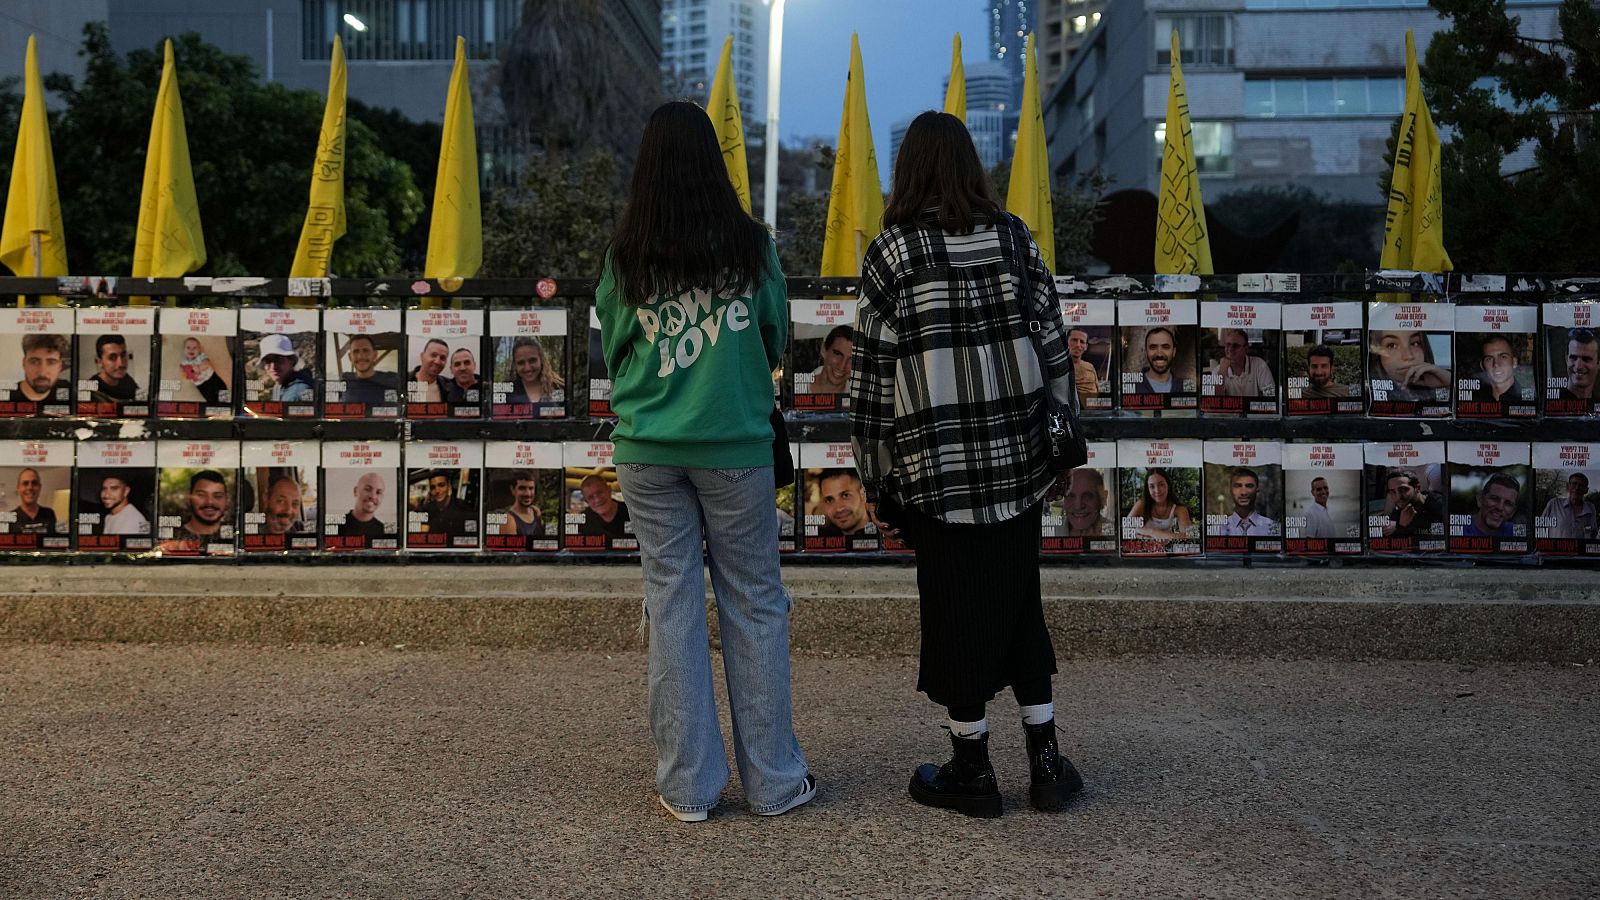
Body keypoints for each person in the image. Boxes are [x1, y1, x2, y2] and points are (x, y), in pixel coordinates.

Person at [851, 110, 1082, 819]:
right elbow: (1055, 346)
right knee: (1020, 604)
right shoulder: (1014, 237)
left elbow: (871, 380)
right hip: (1016, 463)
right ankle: (1045, 764)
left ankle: (972, 769)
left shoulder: (892, 253)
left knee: (952, 610)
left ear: (909, 170)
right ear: (970, 165)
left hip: (935, 470)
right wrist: (1063, 445)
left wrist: (876, 476)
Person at [594, 100, 812, 822]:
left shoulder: (627, 253)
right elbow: (777, 339)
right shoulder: (752, 246)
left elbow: (616, 345)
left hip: (648, 451)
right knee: (754, 602)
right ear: (714, 165)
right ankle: (776, 783)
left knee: (673, 602)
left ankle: (687, 788)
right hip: (737, 448)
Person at [1369, 330, 1449, 401]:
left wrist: (1449, 383)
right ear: (1377, 354)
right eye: (1392, 345)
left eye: (1415, 343)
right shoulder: (1369, 392)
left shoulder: (1433, 385)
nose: (1409, 356)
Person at [162, 470, 230, 551]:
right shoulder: (171, 538)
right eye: (201, 495)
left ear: (227, 499)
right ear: (188, 497)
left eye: (218, 496)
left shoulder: (235, 536)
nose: (209, 502)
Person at [1129, 468, 1193, 543]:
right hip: (1144, 550)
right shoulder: (1141, 504)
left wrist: (1156, 533)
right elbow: (1126, 529)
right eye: (1152, 486)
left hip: (1167, 551)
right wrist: (1152, 532)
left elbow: (1188, 537)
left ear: (1168, 485)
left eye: (1161, 484)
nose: (1157, 490)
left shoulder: (1179, 509)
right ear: (1148, 489)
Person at [9, 334, 70, 406]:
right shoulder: (8, 395)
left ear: (60, 366)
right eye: (34, 362)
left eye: (51, 362)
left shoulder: (69, 391)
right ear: (24, 363)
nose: (42, 372)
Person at [339, 335, 400, 406]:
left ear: (375, 355)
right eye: (356, 351)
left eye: (366, 350)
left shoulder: (392, 380)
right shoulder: (344, 381)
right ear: (350, 357)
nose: (360, 356)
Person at [1381, 469, 1443, 538]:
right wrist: (1400, 526)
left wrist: (1402, 527)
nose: (1398, 497)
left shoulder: (1440, 505)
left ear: (1417, 488)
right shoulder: (1399, 509)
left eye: (1403, 490)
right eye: (1393, 492)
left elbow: (1444, 533)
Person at [1212, 329, 1274, 397]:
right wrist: (1221, 374)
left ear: (1246, 349)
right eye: (1228, 345)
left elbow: (1271, 395)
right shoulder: (1218, 371)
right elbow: (1214, 400)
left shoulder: (1259, 365)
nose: (1230, 349)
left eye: (1235, 346)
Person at [507, 337, 565, 406]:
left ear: (541, 359)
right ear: (515, 365)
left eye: (532, 360)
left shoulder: (558, 387)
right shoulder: (507, 391)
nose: (527, 368)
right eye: (521, 363)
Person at [813, 468, 871, 537]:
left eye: (845, 495)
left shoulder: (884, 535)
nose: (838, 508)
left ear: (863, 494)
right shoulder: (820, 540)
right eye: (829, 500)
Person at [1220, 467, 1278, 536]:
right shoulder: (1219, 529)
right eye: (1238, 486)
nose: (1244, 493)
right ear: (1230, 490)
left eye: (1249, 486)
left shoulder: (1272, 528)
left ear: (1257, 490)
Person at [258, 334, 315, 403]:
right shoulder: (280, 387)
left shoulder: (294, 395)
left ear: (292, 361)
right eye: (268, 361)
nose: (273, 367)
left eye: (279, 360)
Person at [1471, 335, 1529, 403]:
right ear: (1482, 365)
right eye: (1489, 359)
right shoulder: (1474, 399)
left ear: (1514, 362)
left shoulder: (1527, 399)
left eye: (1503, 357)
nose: (1496, 364)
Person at [1540, 473, 1597, 540]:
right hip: (1555, 549)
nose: (1577, 488)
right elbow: (1541, 527)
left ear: (1586, 490)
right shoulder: (1554, 504)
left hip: (1580, 550)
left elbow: (1593, 533)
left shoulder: (1591, 508)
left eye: (1581, 485)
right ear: (1568, 486)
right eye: (1574, 484)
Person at [1463, 473, 1519, 539]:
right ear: (1480, 500)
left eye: (1508, 503)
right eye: (1494, 499)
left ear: (1513, 512)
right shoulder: (1459, 530)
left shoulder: (1516, 531)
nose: (1500, 507)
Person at [1060, 468, 1112, 537]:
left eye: (1087, 496)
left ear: (1102, 499)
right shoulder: (1054, 530)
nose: (1078, 506)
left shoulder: (1115, 531)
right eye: (1071, 496)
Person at [415, 471, 470, 536]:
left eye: (441, 485)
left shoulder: (462, 507)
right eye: (433, 487)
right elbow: (423, 536)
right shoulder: (427, 509)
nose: (437, 491)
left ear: (449, 486)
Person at [576, 473, 630, 539]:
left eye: (600, 492)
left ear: (609, 490)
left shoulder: (631, 512)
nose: (597, 500)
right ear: (586, 502)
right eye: (590, 497)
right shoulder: (582, 520)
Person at [89, 335, 139, 403]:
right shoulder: (91, 392)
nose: (120, 364)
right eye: (112, 357)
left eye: (123, 355)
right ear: (99, 362)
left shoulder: (128, 381)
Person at [177, 337, 227, 405]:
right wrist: (191, 374)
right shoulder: (184, 363)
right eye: (188, 348)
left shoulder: (201, 356)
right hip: (202, 385)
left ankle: (227, 404)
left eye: (195, 348)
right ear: (184, 350)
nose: (191, 350)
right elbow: (186, 374)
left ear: (199, 350)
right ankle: (216, 407)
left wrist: (199, 367)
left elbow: (208, 364)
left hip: (212, 377)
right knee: (210, 398)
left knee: (222, 388)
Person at [495, 470, 545, 537]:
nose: (528, 493)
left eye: (531, 488)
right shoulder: (509, 520)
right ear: (513, 490)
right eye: (522, 488)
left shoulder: (535, 512)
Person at [805, 325, 854, 394]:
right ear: (823, 350)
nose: (842, 366)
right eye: (837, 354)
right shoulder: (795, 386)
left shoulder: (859, 398)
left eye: (851, 360)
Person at [338, 472, 388, 538]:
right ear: (355, 491)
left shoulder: (384, 532)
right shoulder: (337, 526)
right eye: (368, 489)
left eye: (378, 492)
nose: (373, 496)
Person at [1133, 327, 1179, 394]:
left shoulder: (1184, 387)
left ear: (1174, 352)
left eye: (1165, 347)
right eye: (1153, 347)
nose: (1159, 354)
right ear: (1146, 352)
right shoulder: (1133, 386)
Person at [11, 467, 56, 534]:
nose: (30, 487)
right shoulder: (11, 518)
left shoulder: (49, 514)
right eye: (25, 483)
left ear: (40, 487)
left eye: (34, 483)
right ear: (18, 488)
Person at [1558, 328, 1597, 401]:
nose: (1579, 366)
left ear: (1598, 363)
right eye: (1573, 358)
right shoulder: (1552, 401)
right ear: (1566, 359)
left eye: (1586, 359)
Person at [409, 338, 449, 403]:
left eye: (442, 358)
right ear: (422, 356)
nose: (437, 361)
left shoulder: (448, 386)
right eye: (433, 355)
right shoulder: (403, 382)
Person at [1067, 328, 1098, 403]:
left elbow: (1096, 389)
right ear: (1066, 342)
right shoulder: (1059, 367)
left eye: (1082, 342)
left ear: (1086, 346)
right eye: (1074, 340)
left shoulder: (1089, 367)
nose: (1078, 345)